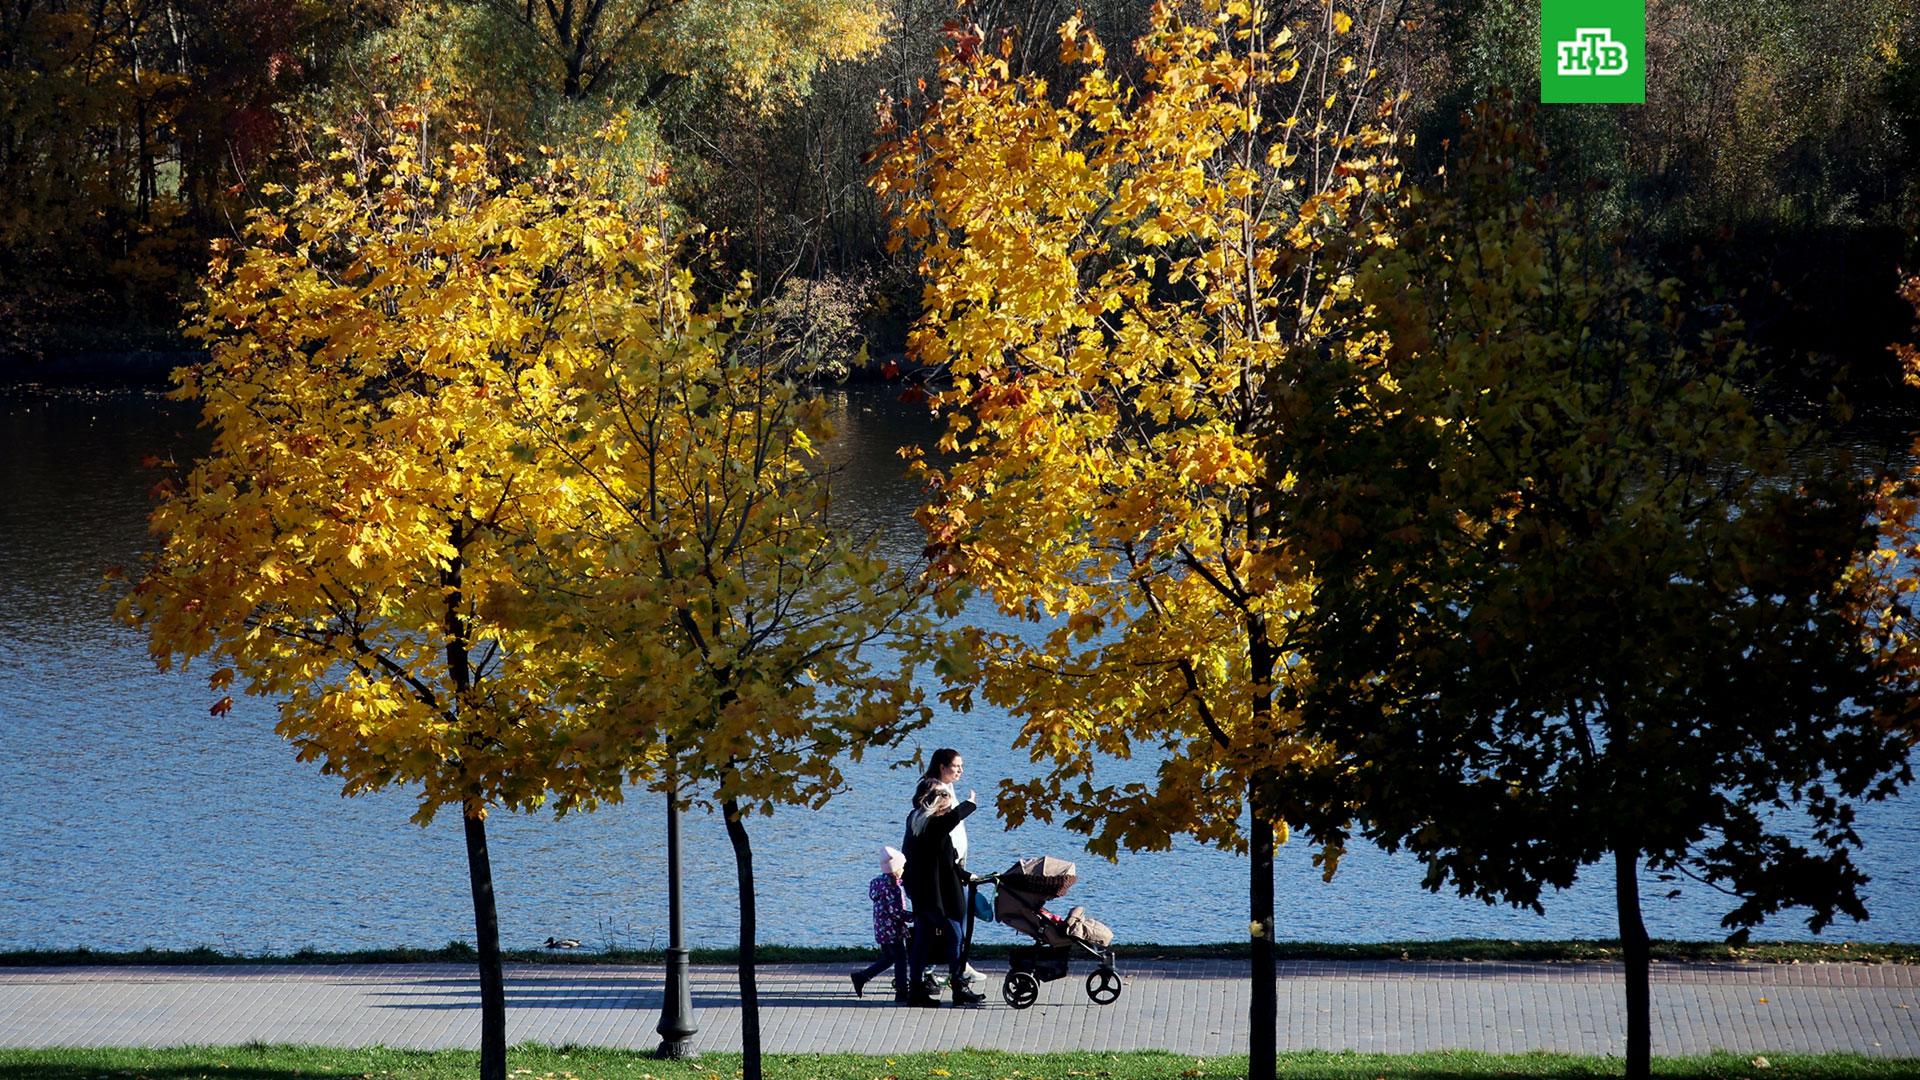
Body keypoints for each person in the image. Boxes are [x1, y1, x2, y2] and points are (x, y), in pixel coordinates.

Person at [902, 782, 984, 1007]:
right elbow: (954, 817)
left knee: (922, 940)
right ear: (938, 809)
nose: (948, 812)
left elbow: (946, 861)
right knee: (956, 937)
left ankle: (915, 990)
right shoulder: (934, 827)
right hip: (940, 898)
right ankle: (958, 987)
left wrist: (966, 874)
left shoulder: (916, 823)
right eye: (946, 808)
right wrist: (971, 803)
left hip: (922, 895)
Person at [851, 846, 911, 1001]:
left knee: (889, 958)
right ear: (896, 868)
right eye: (902, 867)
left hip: (881, 928)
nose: (904, 869)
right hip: (893, 930)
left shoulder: (878, 883)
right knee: (901, 959)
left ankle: (862, 977)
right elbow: (896, 913)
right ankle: (902, 991)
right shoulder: (894, 888)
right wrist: (915, 917)